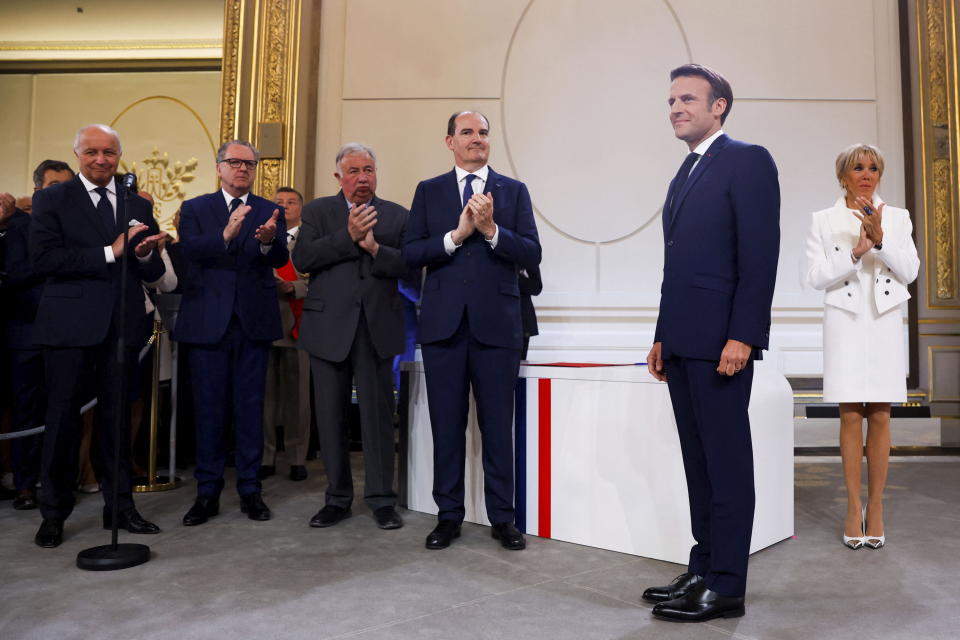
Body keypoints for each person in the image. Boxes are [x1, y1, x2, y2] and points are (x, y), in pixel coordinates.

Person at [644, 65, 780, 622]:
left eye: (687, 98)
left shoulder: (747, 160)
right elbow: (677, 265)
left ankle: (726, 585)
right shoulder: (685, 171)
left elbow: (759, 257)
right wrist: (660, 334)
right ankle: (704, 566)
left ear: (719, 105)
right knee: (698, 464)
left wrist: (743, 334)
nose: (675, 107)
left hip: (723, 342)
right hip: (683, 341)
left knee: (726, 466)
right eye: (671, 99)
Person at [404, 111, 542, 551]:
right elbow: (411, 252)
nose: (477, 139)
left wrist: (492, 230)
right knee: (447, 426)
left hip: (497, 329)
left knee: (498, 427)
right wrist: (457, 235)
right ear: (450, 142)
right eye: (467, 133)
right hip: (444, 328)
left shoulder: (513, 191)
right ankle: (448, 516)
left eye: (483, 133)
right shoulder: (429, 191)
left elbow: (532, 251)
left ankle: (504, 518)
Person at [29, 125, 167, 547]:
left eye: (109, 152)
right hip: (70, 327)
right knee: (63, 421)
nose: (102, 160)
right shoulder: (53, 198)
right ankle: (53, 513)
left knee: (116, 423)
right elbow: (44, 259)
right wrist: (112, 252)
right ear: (77, 155)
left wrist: (145, 255)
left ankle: (121, 506)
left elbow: (153, 271)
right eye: (92, 152)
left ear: (119, 156)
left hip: (122, 327)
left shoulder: (136, 202)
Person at [804, 144, 919, 551]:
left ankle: (877, 506)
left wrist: (882, 239)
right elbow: (816, 277)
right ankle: (853, 507)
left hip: (884, 319)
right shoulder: (824, 220)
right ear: (843, 176)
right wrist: (856, 250)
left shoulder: (899, 218)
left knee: (883, 414)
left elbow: (910, 271)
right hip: (846, 321)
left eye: (873, 167)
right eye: (858, 167)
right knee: (851, 414)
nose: (867, 174)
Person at [293, 143, 408, 530]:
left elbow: (409, 267)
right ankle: (337, 498)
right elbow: (303, 260)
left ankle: (381, 499)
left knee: (378, 417)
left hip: (377, 329)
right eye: (355, 171)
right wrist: (348, 235)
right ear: (339, 176)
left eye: (369, 170)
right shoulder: (317, 212)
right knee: (330, 417)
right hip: (328, 330)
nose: (363, 178)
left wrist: (375, 248)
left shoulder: (396, 215)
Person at [174, 140, 287, 525]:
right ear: (219, 167)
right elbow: (189, 251)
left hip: (252, 321)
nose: (243, 169)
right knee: (208, 410)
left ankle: (250, 490)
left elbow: (280, 259)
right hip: (209, 323)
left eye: (249, 164)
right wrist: (224, 235)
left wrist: (270, 242)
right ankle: (207, 492)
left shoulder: (270, 209)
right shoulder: (194, 208)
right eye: (235, 163)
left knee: (251, 409)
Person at [0, 161, 76, 511]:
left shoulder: (78, 227)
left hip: (69, 334)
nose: (60, 191)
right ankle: (25, 484)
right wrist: (56, 260)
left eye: (66, 185)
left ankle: (61, 481)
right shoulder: (19, 227)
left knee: (65, 411)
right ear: (39, 189)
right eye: (54, 185)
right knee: (26, 412)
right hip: (27, 333)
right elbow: (13, 276)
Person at [260, 186, 311, 482]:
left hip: (298, 322)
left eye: (292, 202)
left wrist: (297, 287)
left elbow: (323, 276)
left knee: (298, 397)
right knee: (265, 397)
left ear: (301, 208)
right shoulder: (263, 236)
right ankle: (266, 455)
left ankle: (296, 457)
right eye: (279, 202)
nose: (285, 206)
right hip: (266, 321)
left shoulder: (310, 237)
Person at [518, 264, 542, 360]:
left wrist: (514, 276)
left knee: (519, 369)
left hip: (522, 321)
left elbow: (537, 287)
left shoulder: (527, 255)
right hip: (494, 320)